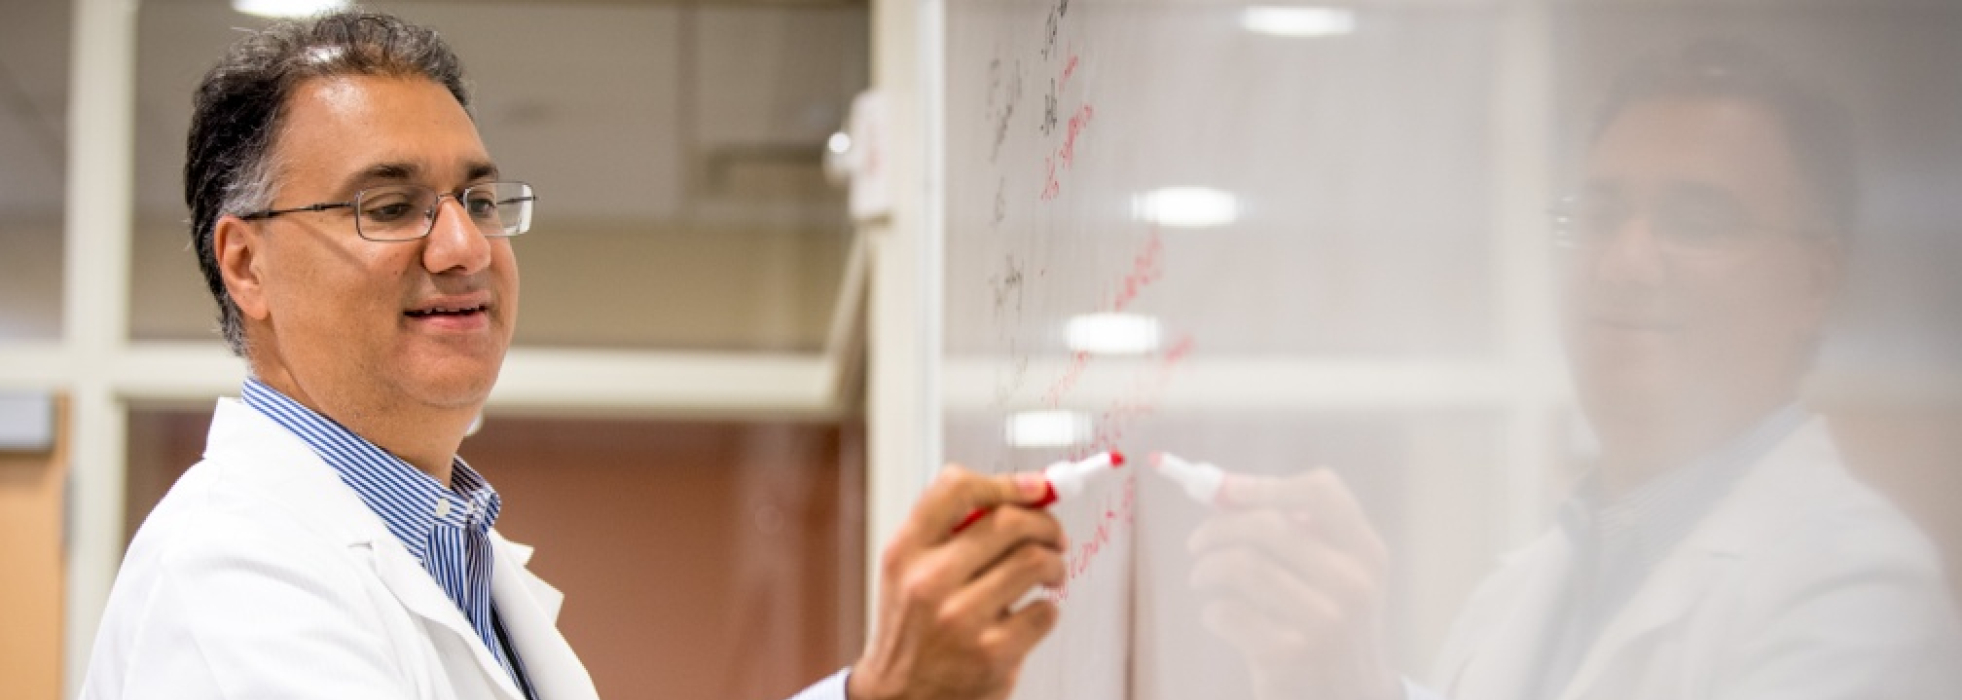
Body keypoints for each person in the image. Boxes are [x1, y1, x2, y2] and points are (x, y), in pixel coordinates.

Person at [81, 12, 1065, 700]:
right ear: (246, 263)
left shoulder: (452, 554)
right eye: (390, 208)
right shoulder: (229, 581)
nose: (464, 246)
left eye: (476, 198)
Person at [1181, 42, 1962, 700]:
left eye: (1695, 220)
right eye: (1599, 214)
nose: (1624, 262)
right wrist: (1335, 676)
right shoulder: (1531, 587)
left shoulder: (1859, 592)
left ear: (1813, 282)